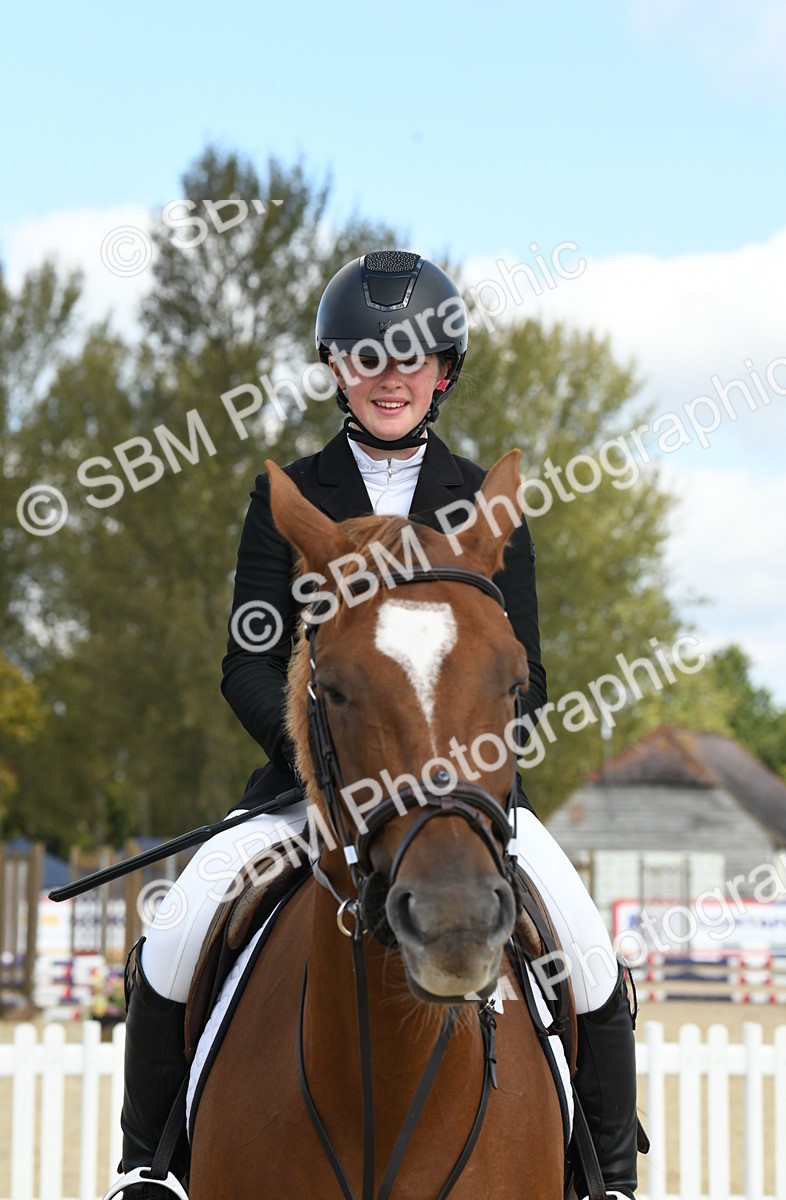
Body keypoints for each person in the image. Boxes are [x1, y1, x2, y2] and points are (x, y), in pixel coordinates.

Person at [118, 251, 640, 1199]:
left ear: (443, 373)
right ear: (336, 369)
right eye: (368, 356)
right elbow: (248, 661)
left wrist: (453, 756)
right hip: (314, 788)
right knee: (182, 920)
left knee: (588, 948)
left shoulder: (482, 499)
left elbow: (529, 673)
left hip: (464, 799)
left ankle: (606, 1179)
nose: (390, 376)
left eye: (412, 358)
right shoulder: (291, 495)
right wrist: (324, 761)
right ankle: (147, 1169)